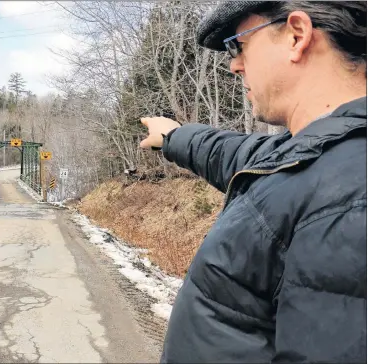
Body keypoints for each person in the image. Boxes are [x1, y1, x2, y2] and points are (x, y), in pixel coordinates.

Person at [139, 1, 367, 362]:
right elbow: (231, 153)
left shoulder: (349, 198)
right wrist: (173, 136)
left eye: (238, 44)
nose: (234, 65)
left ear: (297, 35)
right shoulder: (309, 153)